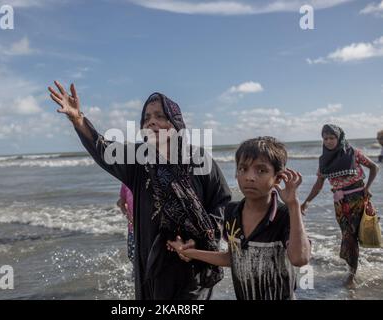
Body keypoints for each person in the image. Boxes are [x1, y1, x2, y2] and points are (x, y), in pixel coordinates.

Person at [48, 81, 232, 300]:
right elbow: (102, 149)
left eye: (159, 116)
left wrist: (198, 240)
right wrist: (77, 118)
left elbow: (222, 203)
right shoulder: (137, 162)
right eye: (146, 118)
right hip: (153, 264)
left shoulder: (199, 160)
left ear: (176, 123)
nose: (151, 121)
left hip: (194, 264)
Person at [168, 137, 311, 300]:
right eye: (243, 169)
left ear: (278, 178)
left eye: (261, 170)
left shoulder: (284, 214)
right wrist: (190, 252)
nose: (249, 177)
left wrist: (293, 205)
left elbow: (300, 259)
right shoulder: (231, 212)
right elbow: (232, 258)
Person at [301, 124, 379, 286]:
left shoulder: (353, 153)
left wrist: (368, 187)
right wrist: (307, 201)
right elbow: (319, 184)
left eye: (332, 138)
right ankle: (353, 268)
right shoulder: (324, 160)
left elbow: (374, 167)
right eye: (325, 138)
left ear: (339, 138)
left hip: (358, 200)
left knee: (351, 237)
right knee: (348, 236)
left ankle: (351, 274)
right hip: (340, 204)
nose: (328, 141)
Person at [117, 183, 135, 265]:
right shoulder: (125, 183)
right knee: (132, 256)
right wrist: (127, 215)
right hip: (132, 228)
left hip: (147, 227)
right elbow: (121, 203)